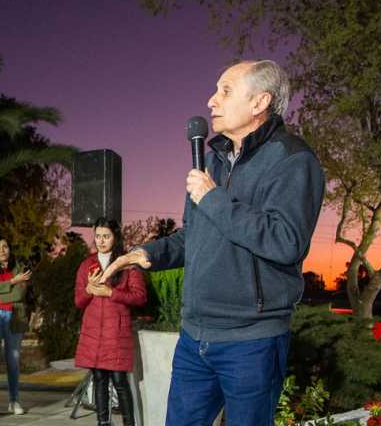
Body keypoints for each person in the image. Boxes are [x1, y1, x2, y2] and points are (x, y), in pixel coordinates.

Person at [99, 60, 325, 425]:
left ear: (259, 102)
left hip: (251, 342)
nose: (211, 101)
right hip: (194, 338)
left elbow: (286, 241)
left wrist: (213, 198)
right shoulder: (211, 161)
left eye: (225, 90)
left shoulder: (293, 160)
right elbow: (194, 236)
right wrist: (145, 253)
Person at [74, 218, 146, 426]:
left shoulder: (126, 263)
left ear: (115, 237)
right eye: (98, 236)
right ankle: (102, 422)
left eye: (106, 236)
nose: (101, 241)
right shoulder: (87, 264)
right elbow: (78, 301)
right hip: (93, 332)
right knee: (99, 379)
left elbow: (139, 297)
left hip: (116, 331)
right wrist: (89, 289)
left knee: (119, 380)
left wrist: (110, 292)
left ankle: (128, 423)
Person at [0, 238, 30, 416]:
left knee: (13, 361)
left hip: (13, 317)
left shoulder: (20, 267)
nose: (3, 250)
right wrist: (12, 282)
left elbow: (19, 294)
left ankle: (14, 401)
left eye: (5, 246)